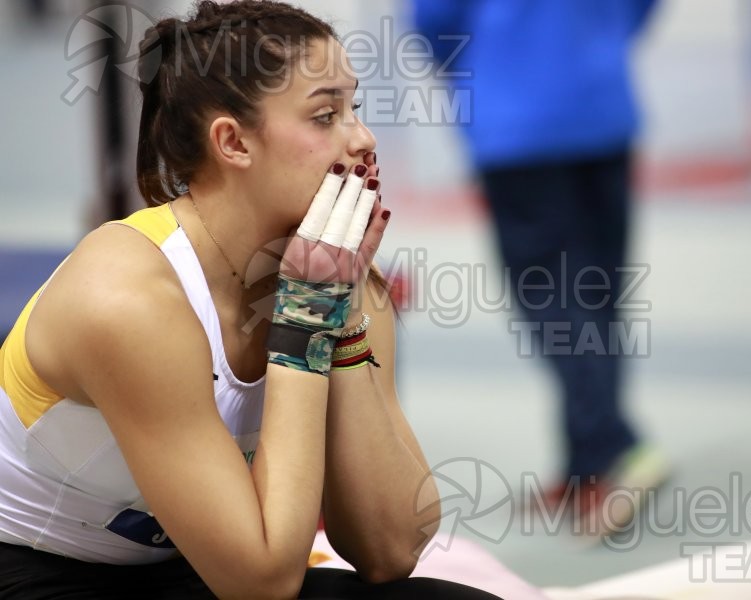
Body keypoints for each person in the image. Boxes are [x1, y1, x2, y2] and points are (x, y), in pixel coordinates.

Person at [0, 1, 501, 598]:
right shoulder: (127, 298)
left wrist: (331, 321)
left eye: (355, 109)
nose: (363, 139)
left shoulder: (339, 279)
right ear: (233, 142)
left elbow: (389, 549)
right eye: (325, 116)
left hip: (195, 564)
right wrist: (302, 323)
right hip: (39, 572)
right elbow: (262, 584)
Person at [412, 0, 668, 534]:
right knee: (596, 296)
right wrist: (599, 41)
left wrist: (487, 66)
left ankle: (611, 450)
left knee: (554, 302)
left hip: (519, 124)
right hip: (601, 107)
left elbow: (434, 21)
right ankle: (586, 466)